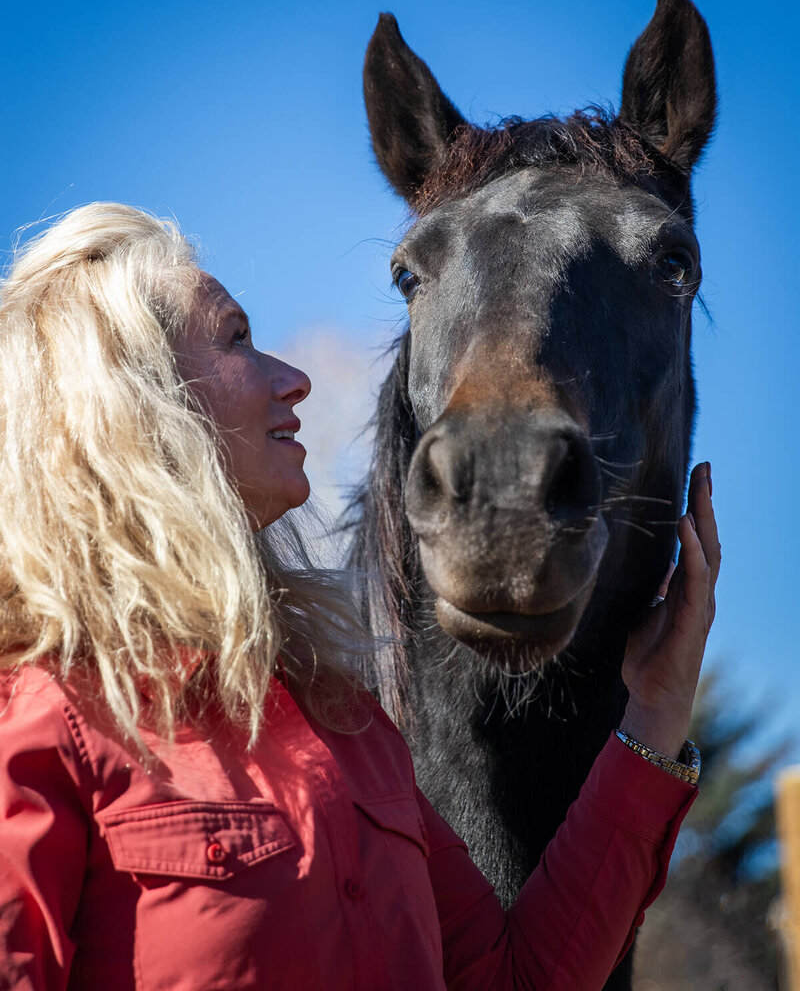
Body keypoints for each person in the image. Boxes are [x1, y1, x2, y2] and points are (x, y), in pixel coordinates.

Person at [0, 204, 720, 991]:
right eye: (237, 338)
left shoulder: (349, 729)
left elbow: (517, 978)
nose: (293, 378)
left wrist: (654, 709)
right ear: (130, 402)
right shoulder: (42, 724)